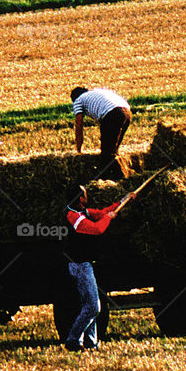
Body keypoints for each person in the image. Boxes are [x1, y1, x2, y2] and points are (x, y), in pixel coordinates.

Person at [63, 185, 135, 351]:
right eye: (85, 195)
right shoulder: (73, 217)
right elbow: (97, 229)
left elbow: (102, 212)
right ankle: (73, 340)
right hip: (80, 266)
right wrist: (109, 218)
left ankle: (91, 343)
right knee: (93, 307)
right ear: (80, 198)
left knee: (88, 305)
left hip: (83, 265)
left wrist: (125, 199)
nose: (87, 197)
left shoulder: (82, 212)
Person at [70, 87, 132, 177]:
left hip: (111, 113)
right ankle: (122, 176)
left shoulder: (78, 100)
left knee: (107, 153)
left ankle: (115, 180)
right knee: (114, 150)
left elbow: (79, 126)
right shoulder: (97, 91)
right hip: (127, 112)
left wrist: (78, 150)